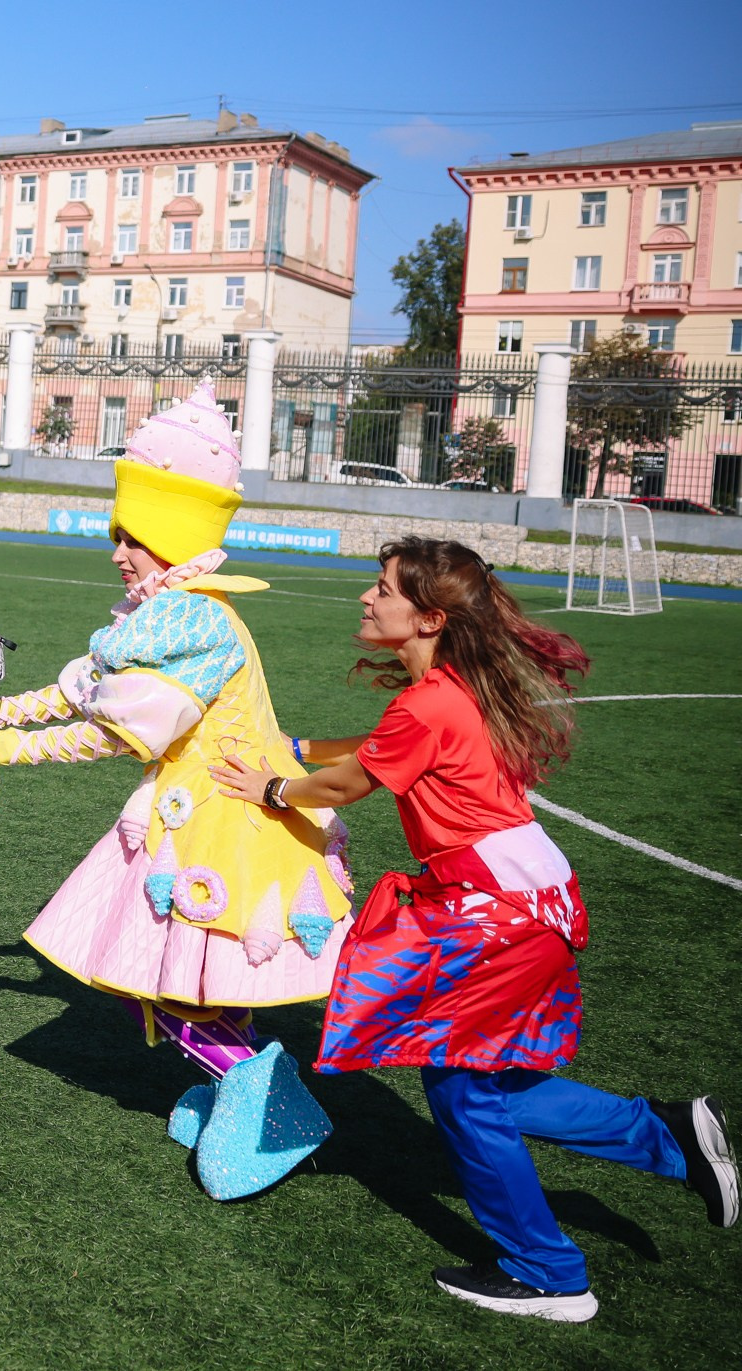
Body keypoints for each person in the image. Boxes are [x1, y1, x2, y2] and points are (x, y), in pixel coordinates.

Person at [213, 539, 735, 1323]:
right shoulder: (449, 691)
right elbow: (376, 750)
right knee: (484, 1079)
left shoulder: (429, 702)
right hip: (528, 896)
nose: (366, 596)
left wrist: (276, 784)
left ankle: (551, 1273)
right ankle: (664, 1134)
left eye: (381, 587)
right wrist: (289, 748)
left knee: (461, 1083)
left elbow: (349, 782)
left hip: (499, 909)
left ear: (428, 616)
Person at [0, 382, 348, 1198]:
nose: (118, 552)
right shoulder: (169, 614)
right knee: (187, 979)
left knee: (169, 984)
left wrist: (2, 743)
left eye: (133, 538)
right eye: (117, 535)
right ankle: (230, 1096)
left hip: (219, 826)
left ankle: (272, 1108)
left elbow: (117, 729)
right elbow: (83, 687)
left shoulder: (194, 622)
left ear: (173, 536)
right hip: (197, 815)